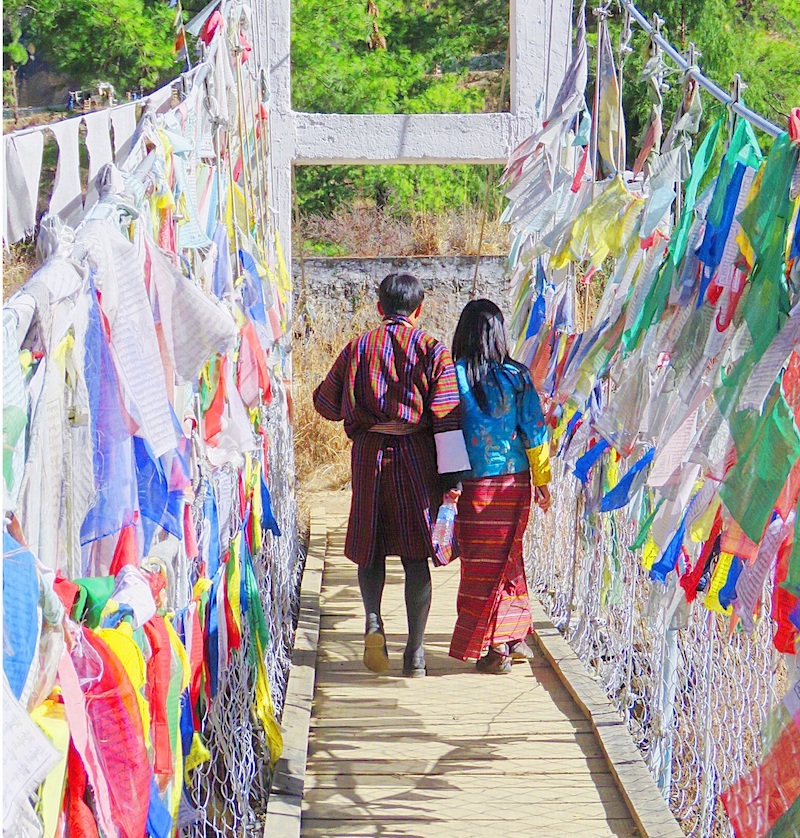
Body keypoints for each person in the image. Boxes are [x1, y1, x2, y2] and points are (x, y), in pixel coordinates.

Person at [313, 273, 470, 677]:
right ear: (420, 309)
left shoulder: (358, 347)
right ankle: (415, 655)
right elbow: (448, 417)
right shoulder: (433, 350)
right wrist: (453, 479)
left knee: (370, 545)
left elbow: (325, 403)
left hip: (368, 457)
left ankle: (372, 621)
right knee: (416, 554)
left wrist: (361, 407)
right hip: (416, 458)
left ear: (379, 308)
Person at [448, 299, 551, 675]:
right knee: (509, 559)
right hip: (514, 483)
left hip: (472, 486)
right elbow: (535, 431)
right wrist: (541, 480)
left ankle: (498, 647)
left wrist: (442, 484)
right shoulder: (518, 376)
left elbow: (443, 431)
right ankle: (509, 639)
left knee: (479, 565)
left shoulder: (452, 374)